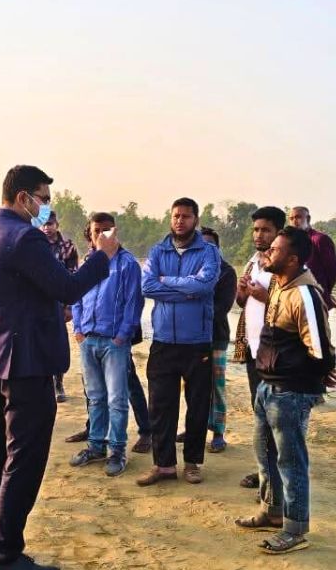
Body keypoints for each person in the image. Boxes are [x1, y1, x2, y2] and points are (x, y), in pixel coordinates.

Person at [0, 165, 119, 570]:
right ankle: (6, 555)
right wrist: (102, 255)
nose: (47, 207)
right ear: (23, 198)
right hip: (25, 364)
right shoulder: (24, 237)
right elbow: (67, 288)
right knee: (23, 459)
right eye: (44, 198)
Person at [234, 227, 336, 555]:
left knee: (291, 462)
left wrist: (314, 378)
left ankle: (295, 528)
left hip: (289, 392)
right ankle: (272, 510)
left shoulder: (304, 293)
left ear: (292, 260)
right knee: (264, 452)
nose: (268, 253)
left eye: (275, 250)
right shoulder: (279, 285)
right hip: (269, 386)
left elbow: (320, 350)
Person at [137, 197, 220, 487]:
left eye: (186, 216)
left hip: (197, 342)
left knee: (197, 405)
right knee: (161, 405)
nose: (180, 221)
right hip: (163, 341)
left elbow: (205, 285)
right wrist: (187, 290)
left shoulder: (208, 252)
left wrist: (167, 281)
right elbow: (147, 286)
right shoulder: (158, 250)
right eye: (175, 216)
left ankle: (193, 463)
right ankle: (164, 465)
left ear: (196, 219)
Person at [64, 219, 153, 454]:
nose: (102, 235)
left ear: (115, 232)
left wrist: (122, 336)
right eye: (97, 231)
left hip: (115, 340)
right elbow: (78, 297)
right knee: (95, 394)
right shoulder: (88, 262)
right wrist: (78, 330)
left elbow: (134, 303)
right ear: (90, 234)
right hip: (88, 339)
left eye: (107, 230)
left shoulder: (127, 263)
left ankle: (128, 442)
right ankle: (95, 441)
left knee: (119, 395)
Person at [231, 206, 284, 490]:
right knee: (261, 413)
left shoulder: (285, 264)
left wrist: (264, 296)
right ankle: (266, 472)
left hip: (277, 354)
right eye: (256, 230)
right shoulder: (253, 262)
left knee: (275, 417)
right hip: (255, 350)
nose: (259, 235)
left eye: (265, 230)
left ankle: (275, 480)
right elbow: (243, 303)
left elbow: (291, 303)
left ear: (278, 232)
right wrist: (242, 292)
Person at [201, 227, 237, 453]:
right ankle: (195, 428)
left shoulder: (226, 272)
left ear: (217, 248)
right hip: (192, 339)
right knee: (194, 387)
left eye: (210, 245)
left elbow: (222, 307)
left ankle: (218, 433)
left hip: (216, 337)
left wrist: (194, 308)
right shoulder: (191, 269)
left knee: (217, 386)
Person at [40, 210, 80, 402]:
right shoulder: (35, 244)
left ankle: (59, 383)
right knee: (39, 344)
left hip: (58, 303)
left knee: (57, 344)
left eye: (50, 224)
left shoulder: (67, 247)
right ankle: (44, 384)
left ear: (57, 225)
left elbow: (73, 275)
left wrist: (69, 306)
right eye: (44, 224)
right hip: (38, 302)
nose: (47, 228)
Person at [288, 206, 336, 310]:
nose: (294, 221)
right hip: (295, 298)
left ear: (308, 219)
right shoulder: (290, 242)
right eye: (291, 218)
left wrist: (325, 292)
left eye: (298, 217)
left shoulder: (319, 239)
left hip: (316, 296)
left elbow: (333, 271)